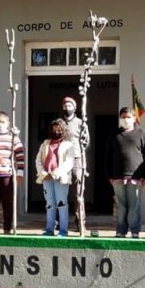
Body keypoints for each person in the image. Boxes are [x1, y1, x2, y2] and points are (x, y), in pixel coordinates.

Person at [106, 107, 145, 238]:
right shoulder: (114, 134)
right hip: (117, 177)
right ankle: (120, 230)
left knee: (134, 205)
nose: (125, 119)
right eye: (123, 117)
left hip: (136, 177)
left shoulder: (142, 134)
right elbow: (108, 156)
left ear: (134, 118)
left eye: (128, 117)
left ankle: (134, 231)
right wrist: (109, 176)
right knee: (121, 205)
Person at [36, 119, 75, 237]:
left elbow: (69, 162)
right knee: (49, 203)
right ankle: (49, 229)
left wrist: (56, 173)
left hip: (60, 177)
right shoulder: (45, 143)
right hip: (46, 177)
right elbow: (38, 160)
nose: (56, 131)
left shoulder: (69, 145)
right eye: (54, 129)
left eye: (59, 129)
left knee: (62, 203)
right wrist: (42, 172)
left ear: (64, 130)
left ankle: (63, 230)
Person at [61, 96, 88, 233]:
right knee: (60, 193)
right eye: (65, 105)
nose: (67, 108)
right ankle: (59, 224)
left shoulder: (80, 123)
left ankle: (80, 223)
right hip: (61, 161)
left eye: (70, 105)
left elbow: (85, 141)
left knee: (77, 194)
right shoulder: (58, 123)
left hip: (76, 159)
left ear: (75, 107)